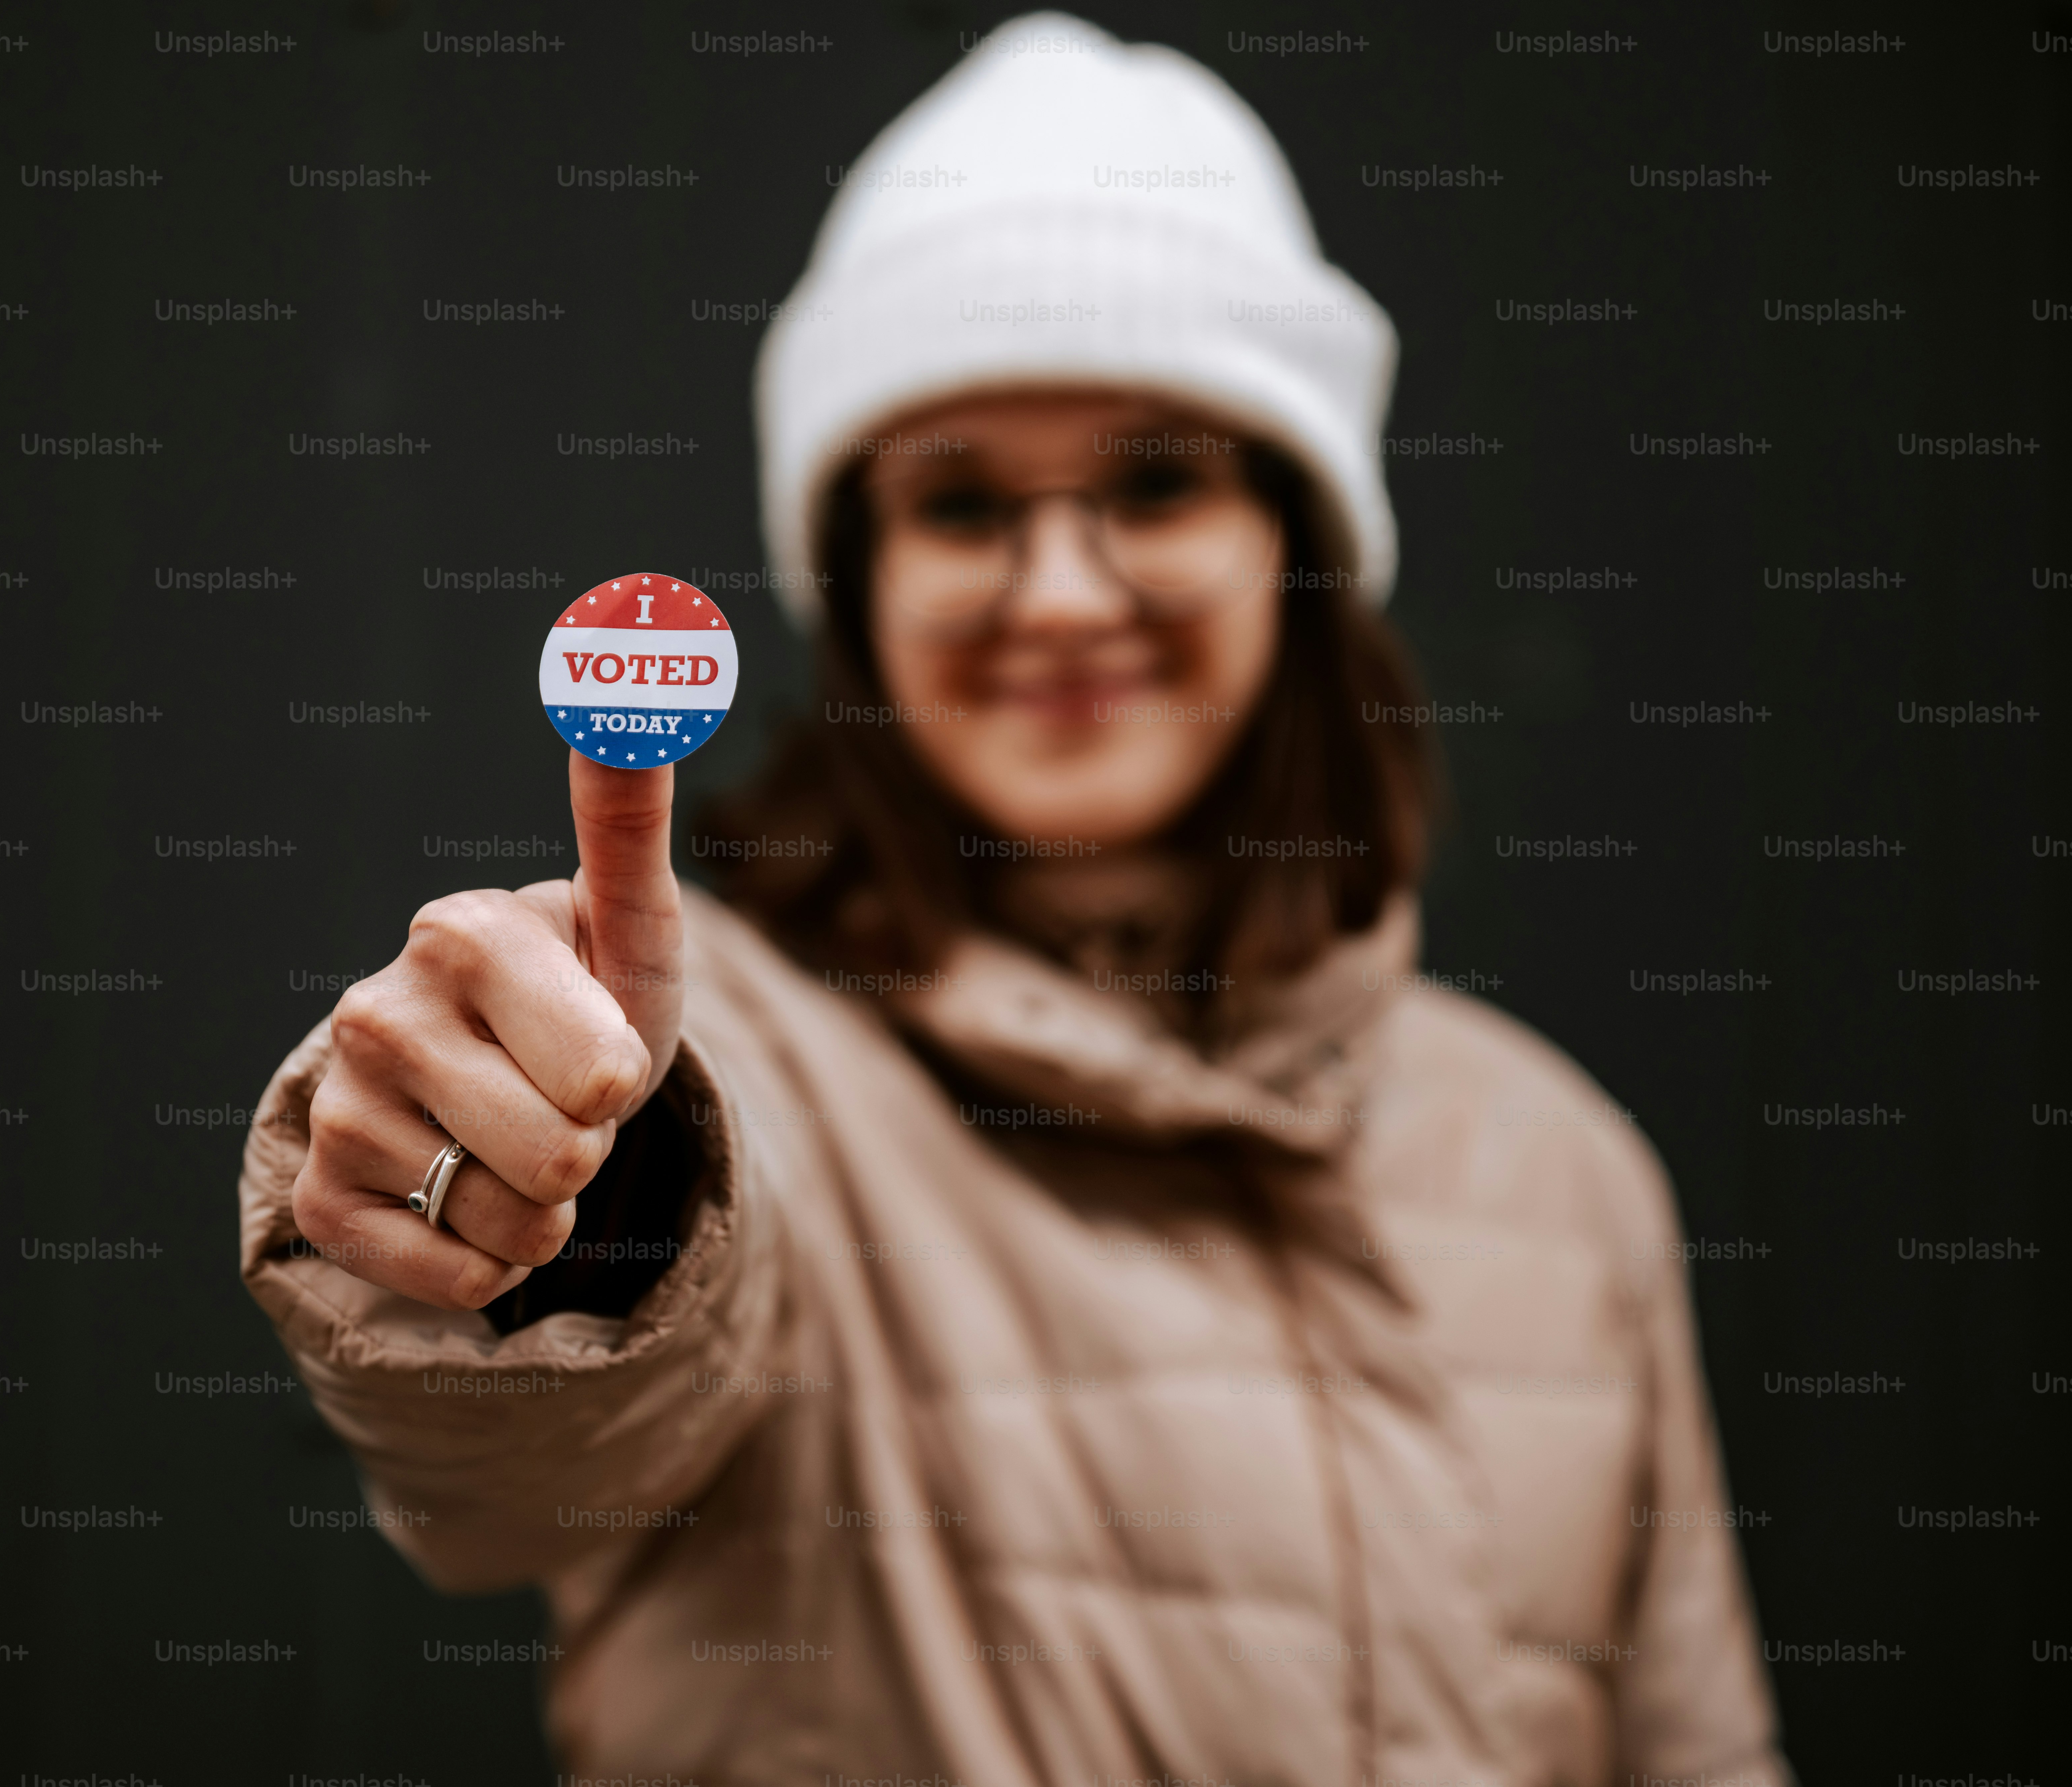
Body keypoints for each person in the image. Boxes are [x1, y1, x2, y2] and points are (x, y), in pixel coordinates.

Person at [238, 15, 1788, 1783]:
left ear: (1298, 544)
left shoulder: (1560, 1166)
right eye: (962, 505)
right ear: (866, 580)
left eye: (1157, 482)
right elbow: (524, 1456)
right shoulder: (736, 1075)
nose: (1061, 594)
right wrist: (557, 1189)